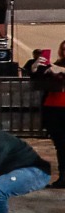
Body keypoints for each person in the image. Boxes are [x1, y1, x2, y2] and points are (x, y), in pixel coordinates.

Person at [36, 43, 65, 188]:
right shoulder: (56, 65)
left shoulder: (59, 67)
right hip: (53, 107)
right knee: (60, 145)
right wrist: (37, 66)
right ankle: (63, 177)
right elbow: (37, 80)